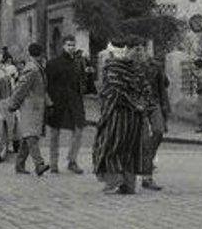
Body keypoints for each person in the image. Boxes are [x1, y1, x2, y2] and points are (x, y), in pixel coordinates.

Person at [92, 36, 152, 195]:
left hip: (117, 115)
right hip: (134, 116)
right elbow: (145, 90)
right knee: (129, 149)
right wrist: (140, 105)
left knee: (111, 146)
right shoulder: (135, 68)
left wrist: (135, 104)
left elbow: (115, 93)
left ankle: (116, 180)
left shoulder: (113, 68)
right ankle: (128, 184)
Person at [7, 43, 50, 176]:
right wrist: (13, 104)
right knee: (31, 135)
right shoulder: (32, 69)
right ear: (41, 53)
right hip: (30, 107)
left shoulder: (36, 67)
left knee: (28, 136)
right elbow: (21, 88)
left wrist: (49, 103)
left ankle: (19, 165)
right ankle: (39, 164)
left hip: (35, 107)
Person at [46, 34, 86, 174]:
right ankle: (53, 163)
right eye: (69, 45)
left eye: (73, 45)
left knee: (79, 129)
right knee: (54, 132)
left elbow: (82, 82)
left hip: (75, 101)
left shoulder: (78, 63)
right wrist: (50, 102)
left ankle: (72, 160)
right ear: (63, 46)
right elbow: (48, 85)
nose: (71, 47)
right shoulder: (53, 63)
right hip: (58, 102)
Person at [140, 50, 170, 191]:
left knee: (159, 131)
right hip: (138, 105)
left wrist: (165, 109)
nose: (141, 51)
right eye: (137, 48)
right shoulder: (131, 65)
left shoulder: (156, 66)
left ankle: (147, 160)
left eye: (142, 47)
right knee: (145, 140)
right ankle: (147, 177)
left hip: (154, 102)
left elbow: (164, 86)